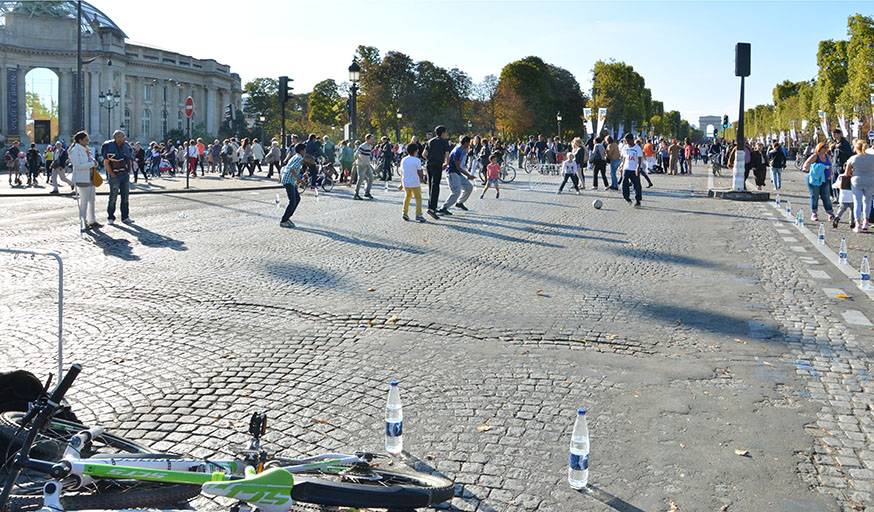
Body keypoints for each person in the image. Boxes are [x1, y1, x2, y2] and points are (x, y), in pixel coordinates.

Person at [102, 129, 134, 224]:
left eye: (124, 136)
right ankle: (110, 217)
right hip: (114, 175)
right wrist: (111, 174)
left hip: (124, 174)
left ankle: (125, 217)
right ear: (116, 137)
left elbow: (129, 159)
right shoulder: (108, 146)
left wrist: (129, 171)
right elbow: (106, 162)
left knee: (125, 197)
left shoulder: (127, 146)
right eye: (121, 136)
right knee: (113, 197)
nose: (124, 138)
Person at [70, 131, 100, 230]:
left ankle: (92, 220)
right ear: (80, 140)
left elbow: (90, 161)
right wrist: (92, 164)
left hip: (91, 177)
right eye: (86, 139)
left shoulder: (87, 149)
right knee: (84, 201)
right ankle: (83, 222)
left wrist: (94, 162)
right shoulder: (75, 150)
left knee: (92, 200)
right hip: (82, 178)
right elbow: (77, 166)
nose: (88, 141)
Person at [438, 135, 475, 215]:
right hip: (452, 173)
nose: (470, 145)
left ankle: (459, 203)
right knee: (456, 192)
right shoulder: (457, 151)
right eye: (469, 143)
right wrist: (468, 175)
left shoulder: (461, 149)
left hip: (457, 173)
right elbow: (458, 167)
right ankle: (443, 208)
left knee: (469, 187)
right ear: (466, 143)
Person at [802, 142, 835, 223]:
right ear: (819, 148)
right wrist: (810, 169)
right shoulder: (815, 156)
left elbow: (830, 166)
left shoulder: (827, 156)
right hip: (815, 180)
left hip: (825, 179)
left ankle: (830, 214)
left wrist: (831, 173)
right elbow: (806, 165)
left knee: (826, 197)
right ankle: (814, 213)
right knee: (815, 196)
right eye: (824, 148)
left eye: (826, 148)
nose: (825, 149)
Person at [847, 140, 874, 233]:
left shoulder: (853, 158)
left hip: (857, 181)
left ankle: (857, 224)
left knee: (857, 202)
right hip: (870, 181)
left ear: (856, 148)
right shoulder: (872, 157)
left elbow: (847, 173)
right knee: (867, 202)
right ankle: (866, 222)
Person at [424, 126, 451, 219]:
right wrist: (446, 164)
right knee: (436, 186)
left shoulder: (430, 141)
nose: (447, 134)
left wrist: (430, 159)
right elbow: (447, 155)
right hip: (437, 165)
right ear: (442, 133)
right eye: (446, 132)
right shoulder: (445, 142)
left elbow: (424, 154)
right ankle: (432, 208)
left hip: (429, 165)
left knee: (431, 186)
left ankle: (430, 206)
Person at [279, 143, 305, 228]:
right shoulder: (299, 158)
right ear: (301, 151)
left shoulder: (295, 156)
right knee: (293, 201)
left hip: (289, 180)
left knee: (297, 198)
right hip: (289, 180)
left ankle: (287, 217)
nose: (305, 151)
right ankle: (284, 220)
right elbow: (292, 169)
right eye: (304, 150)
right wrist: (299, 179)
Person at [400, 144, 426, 222]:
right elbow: (420, 172)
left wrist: (401, 183)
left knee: (407, 197)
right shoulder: (417, 160)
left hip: (406, 182)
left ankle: (404, 213)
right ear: (416, 151)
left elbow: (401, 172)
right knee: (418, 198)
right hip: (415, 182)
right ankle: (418, 214)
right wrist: (423, 179)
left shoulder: (403, 159)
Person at [619, 133, 644, 207]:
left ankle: (638, 200)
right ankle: (627, 198)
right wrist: (621, 166)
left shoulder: (637, 148)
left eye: (627, 140)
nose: (626, 142)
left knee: (637, 185)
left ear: (631, 140)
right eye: (625, 141)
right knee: (624, 183)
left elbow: (639, 159)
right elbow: (624, 158)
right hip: (626, 168)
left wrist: (638, 168)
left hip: (634, 169)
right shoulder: (625, 147)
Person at [354, 134, 374, 200]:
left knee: (371, 178)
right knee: (360, 179)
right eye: (371, 139)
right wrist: (361, 160)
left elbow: (368, 155)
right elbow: (356, 154)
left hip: (367, 165)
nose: (373, 140)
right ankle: (356, 194)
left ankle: (367, 193)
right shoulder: (362, 146)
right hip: (361, 165)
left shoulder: (370, 146)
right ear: (367, 139)